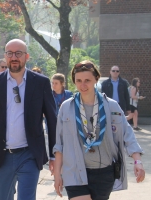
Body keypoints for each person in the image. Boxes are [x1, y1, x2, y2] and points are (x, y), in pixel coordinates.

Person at [0, 39, 57, 200]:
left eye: (18, 53)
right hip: (1, 154)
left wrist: (54, 154)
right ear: (5, 56)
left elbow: (52, 120)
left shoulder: (41, 82)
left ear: (26, 56)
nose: (14, 57)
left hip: (30, 154)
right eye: (10, 53)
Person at [53, 60, 145, 200]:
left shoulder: (111, 106)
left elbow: (127, 134)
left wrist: (137, 161)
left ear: (96, 79)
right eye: (78, 81)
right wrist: (58, 175)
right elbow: (59, 144)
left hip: (103, 172)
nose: (83, 85)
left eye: (87, 80)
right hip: (74, 171)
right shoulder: (66, 108)